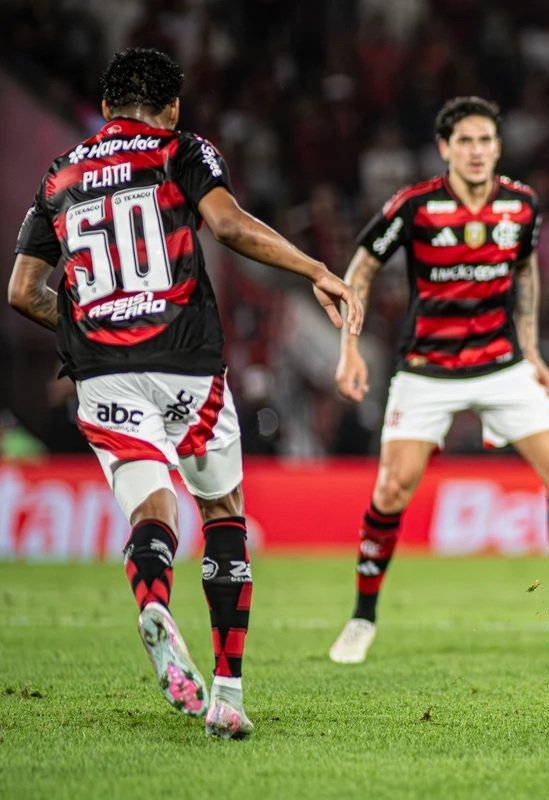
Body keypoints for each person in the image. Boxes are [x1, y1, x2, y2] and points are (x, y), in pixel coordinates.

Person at [7, 48, 363, 739]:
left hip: (103, 369)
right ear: (172, 108)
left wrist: (81, 330)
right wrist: (314, 266)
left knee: (152, 505)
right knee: (223, 510)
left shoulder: (62, 172)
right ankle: (226, 692)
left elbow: (23, 291)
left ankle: (154, 599)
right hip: (184, 361)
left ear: (107, 107)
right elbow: (228, 225)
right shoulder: (182, 149)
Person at [327, 96, 549, 664]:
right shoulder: (414, 206)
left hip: (501, 364)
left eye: (485, 140)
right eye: (465, 141)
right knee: (391, 489)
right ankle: (362, 619)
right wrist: (350, 350)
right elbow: (360, 267)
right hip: (426, 369)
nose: (477, 150)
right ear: (445, 149)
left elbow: (528, 274)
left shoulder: (521, 205)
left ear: (498, 147)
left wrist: (531, 349)